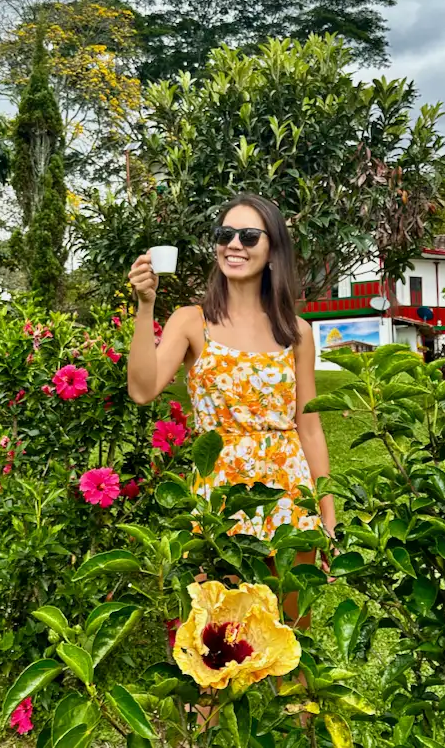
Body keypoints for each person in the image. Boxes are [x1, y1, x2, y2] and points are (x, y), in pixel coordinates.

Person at [126, 193, 336, 621]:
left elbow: (310, 429)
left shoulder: (297, 332)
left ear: (273, 248)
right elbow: (143, 389)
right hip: (220, 497)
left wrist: (329, 521)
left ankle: (296, 691)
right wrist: (145, 306)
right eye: (225, 234)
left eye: (249, 235)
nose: (234, 244)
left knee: (292, 628)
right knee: (217, 635)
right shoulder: (190, 321)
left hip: (290, 494)